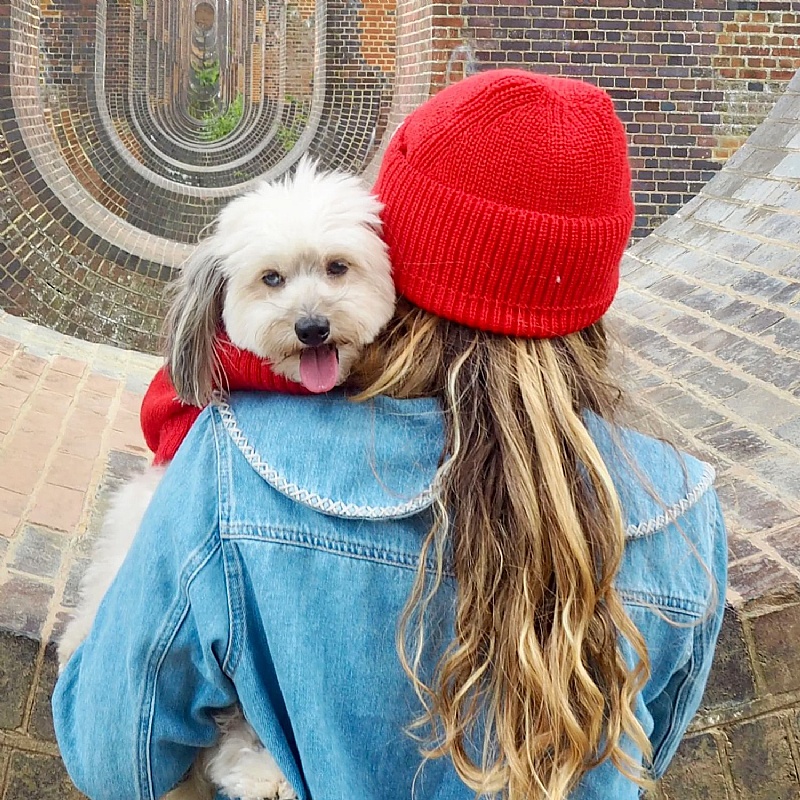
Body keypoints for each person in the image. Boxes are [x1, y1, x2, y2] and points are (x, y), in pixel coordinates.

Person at [53, 69, 727, 800]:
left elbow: (112, 760)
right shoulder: (684, 511)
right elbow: (644, 751)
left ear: (405, 254)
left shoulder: (229, 463)